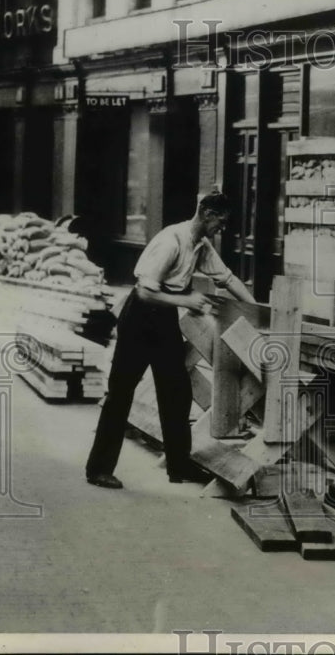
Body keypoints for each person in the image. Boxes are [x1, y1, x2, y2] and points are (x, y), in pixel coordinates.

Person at [85, 193, 257, 489]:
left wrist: (256, 313)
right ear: (206, 213)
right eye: (221, 221)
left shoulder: (201, 245)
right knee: (121, 393)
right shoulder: (171, 241)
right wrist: (185, 299)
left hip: (163, 320)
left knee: (176, 392)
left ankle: (179, 465)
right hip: (139, 318)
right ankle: (98, 469)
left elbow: (227, 279)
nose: (223, 229)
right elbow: (144, 292)